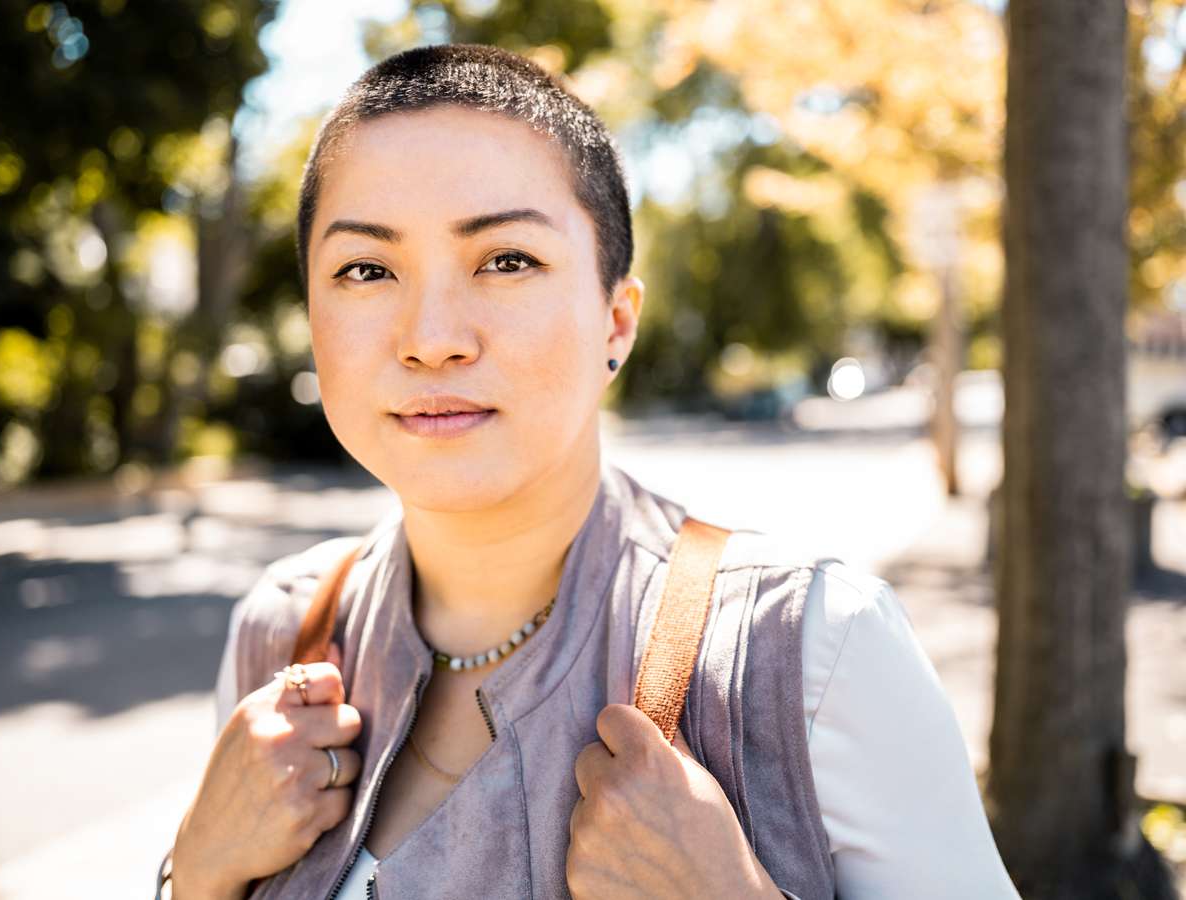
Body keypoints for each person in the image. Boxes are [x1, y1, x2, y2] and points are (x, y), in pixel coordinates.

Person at [163, 42, 1021, 900]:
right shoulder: (283, 637)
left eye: (506, 261)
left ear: (616, 323)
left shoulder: (811, 649)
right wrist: (196, 873)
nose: (431, 337)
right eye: (366, 269)